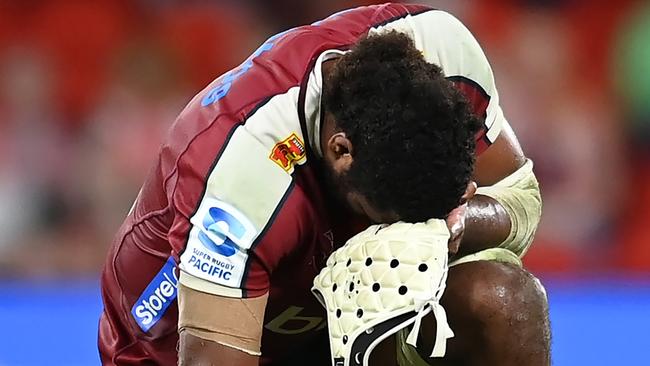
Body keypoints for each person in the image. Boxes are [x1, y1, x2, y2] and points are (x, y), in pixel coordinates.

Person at [98, 3, 547, 365]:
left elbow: (522, 197)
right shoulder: (242, 177)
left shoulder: (448, 57)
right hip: (176, 337)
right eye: (388, 221)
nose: (403, 238)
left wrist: (456, 224)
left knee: (505, 302)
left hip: (324, 318)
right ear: (340, 151)